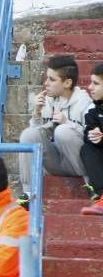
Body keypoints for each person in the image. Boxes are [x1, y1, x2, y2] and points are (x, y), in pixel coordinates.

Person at [18, 55, 92, 205]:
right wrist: (37, 114)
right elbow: (36, 137)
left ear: (67, 82)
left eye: (52, 79)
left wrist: (67, 123)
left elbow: (92, 140)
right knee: (27, 134)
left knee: (63, 132)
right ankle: (28, 191)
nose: (46, 83)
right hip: (56, 162)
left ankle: (91, 184)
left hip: (79, 164)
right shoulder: (47, 100)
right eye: (47, 78)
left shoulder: (85, 102)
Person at [81, 63, 103, 215]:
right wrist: (94, 136)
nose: (90, 87)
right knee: (87, 149)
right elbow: (88, 132)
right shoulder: (93, 109)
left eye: (96, 83)